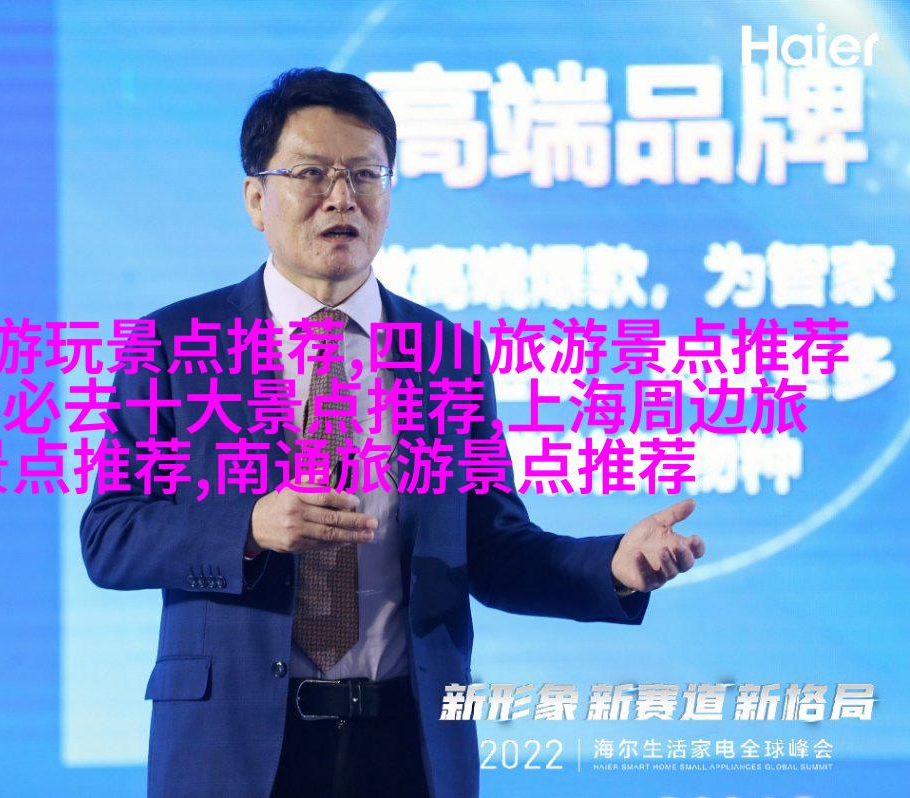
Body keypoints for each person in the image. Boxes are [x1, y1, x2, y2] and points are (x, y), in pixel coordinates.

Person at [80, 67, 706, 798]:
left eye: (365, 174)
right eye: (311, 173)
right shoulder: (173, 344)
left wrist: (614, 568)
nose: (341, 196)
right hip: (234, 748)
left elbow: (492, 548)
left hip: (406, 746)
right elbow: (110, 536)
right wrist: (249, 527)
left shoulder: (448, 356)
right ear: (256, 198)